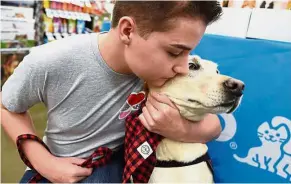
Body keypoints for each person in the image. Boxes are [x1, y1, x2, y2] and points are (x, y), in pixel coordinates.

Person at [1, 1, 223, 183]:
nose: (183, 67)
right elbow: (7, 106)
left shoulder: (168, 70)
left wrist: (179, 128)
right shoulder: (49, 61)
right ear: (127, 31)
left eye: (187, 53)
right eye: (174, 52)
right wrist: (41, 160)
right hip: (60, 161)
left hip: (122, 161)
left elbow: (214, 126)